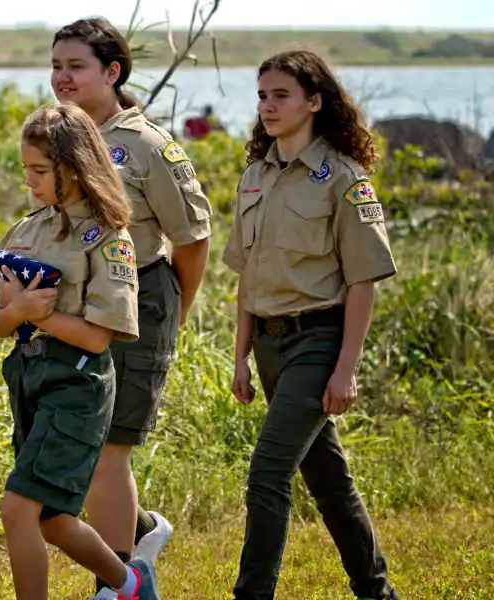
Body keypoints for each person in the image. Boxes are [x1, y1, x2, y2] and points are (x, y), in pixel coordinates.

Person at [223, 50, 401, 600]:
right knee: (327, 480)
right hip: (270, 349)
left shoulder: (344, 179)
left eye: (281, 96)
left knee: (268, 472)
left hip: (319, 341)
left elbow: (363, 280)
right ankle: (376, 591)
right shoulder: (255, 177)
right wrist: (240, 357)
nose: (268, 106)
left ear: (314, 102)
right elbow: (248, 280)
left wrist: (346, 369)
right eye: (262, 96)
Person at [50, 17, 213, 590]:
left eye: (76, 66)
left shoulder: (147, 146)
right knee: (90, 444)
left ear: (111, 72)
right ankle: (141, 533)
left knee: (111, 448)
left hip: (141, 301)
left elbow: (192, 241)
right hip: (76, 310)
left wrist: (176, 312)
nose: (61, 77)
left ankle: (116, 582)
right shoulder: (60, 138)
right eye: (56, 66)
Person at [0, 104, 163, 600]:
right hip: (28, 380)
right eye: (26, 169)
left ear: (75, 166)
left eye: (40, 171)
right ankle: (129, 583)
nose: (30, 181)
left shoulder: (108, 237)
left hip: (77, 384)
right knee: (54, 520)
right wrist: (16, 312)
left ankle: (126, 582)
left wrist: (38, 315)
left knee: (18, 507)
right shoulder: (25, 230)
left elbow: (99, 337)